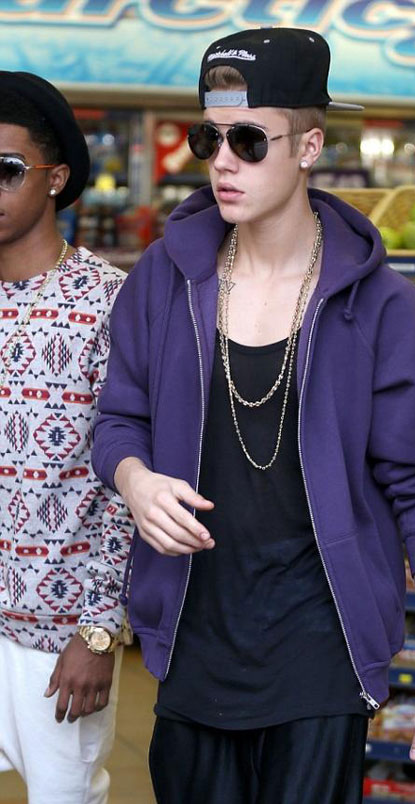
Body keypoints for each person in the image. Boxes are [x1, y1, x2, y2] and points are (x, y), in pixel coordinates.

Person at [92, 27, 415, 804]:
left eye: (249, 140)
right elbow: (118, 420)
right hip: (193, 639)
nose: (223, 161)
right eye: (209, 138)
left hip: (321, 648)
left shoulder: (384, 306)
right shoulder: (162, 279)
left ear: (310, 147)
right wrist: (135, 481)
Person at [0, 72, 133, 804]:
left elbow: (128, 480)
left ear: (54, 179)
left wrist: (100, 631)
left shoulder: (108, 302)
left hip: (56, 640)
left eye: (6, 170)